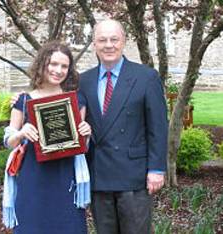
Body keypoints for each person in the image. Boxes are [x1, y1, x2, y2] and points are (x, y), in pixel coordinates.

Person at [77, 19, 168, 234]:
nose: (108, 45)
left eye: (114, 39)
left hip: (133, 176)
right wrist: (24, 101)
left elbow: (158, 127)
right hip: (99, 175)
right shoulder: (83, 80)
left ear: (123, 41)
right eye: (102, 40)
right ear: (94, 44)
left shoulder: (146, 77)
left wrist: (156, 169)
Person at [4, 41, 91, 234]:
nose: (58, 70)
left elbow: (81, 146)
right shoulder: (23, 100)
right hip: (33, 178)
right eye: (53, 64)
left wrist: (86, 133)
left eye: (64, 66)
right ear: (42, 64)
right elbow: (10, 142)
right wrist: (21, 133)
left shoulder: (76, 100)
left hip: (66, 179)